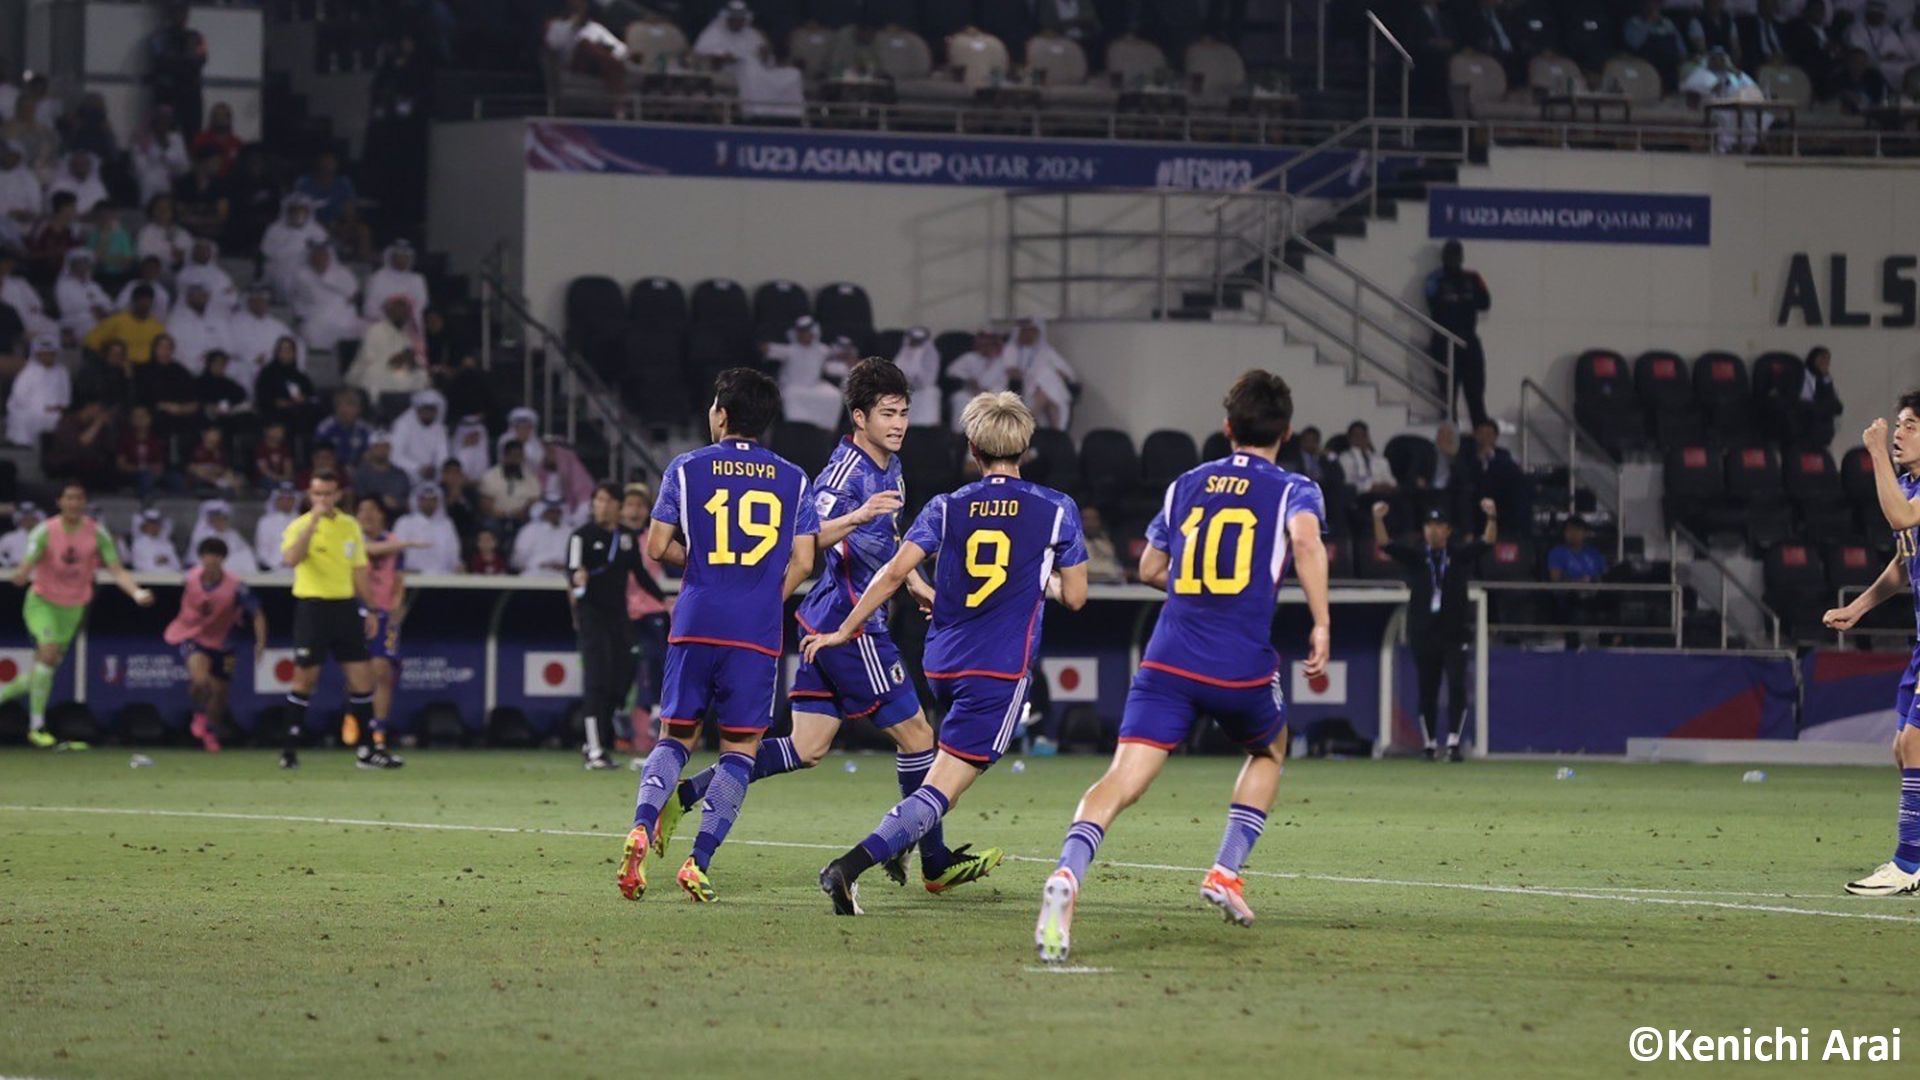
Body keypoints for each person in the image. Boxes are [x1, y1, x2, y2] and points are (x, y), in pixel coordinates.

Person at [652, 360, 999, 892]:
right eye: (888, 414)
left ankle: (685, 796)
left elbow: (890, 543)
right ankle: (933, 861)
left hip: (829, 619)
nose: (899, 423)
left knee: (807, 747)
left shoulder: (889, 466)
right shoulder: (844, 474)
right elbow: (808, 539)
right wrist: (857, 518)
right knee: (919, 738)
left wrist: (917, 586)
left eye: (904, 413)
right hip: (849, 622)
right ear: (859, 417)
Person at [1032, 371, 1326, 960]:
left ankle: (1066, 874)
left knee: (1119, 781)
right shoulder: (1296, 488)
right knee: (1269, 748)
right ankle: (1225, 870)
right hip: (1239, 663)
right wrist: (1321, 621)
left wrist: (1195, 587)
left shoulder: (1185, 483)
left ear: (1226, 429)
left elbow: (1148, 570)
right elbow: (1305, 544)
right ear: (1287, 432)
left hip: (1169, 659)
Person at [808, 390, 1084, 916]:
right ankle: (850, 866)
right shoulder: (1056, 508)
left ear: (973, 452)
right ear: (1025, 448)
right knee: (943, 789)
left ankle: (917, 850)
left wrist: (845, 629)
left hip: (944, 662)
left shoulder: (947, 505)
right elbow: (1075, 597)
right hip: (998, 670)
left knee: (938, 777)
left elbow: (893, 574)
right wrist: (1036, 579)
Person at [618, 367, 821, 904]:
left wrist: (704, 561)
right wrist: (764, 594)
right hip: (754, 630)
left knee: (675, 736)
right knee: (739, 750)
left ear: (722, 415)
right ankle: (697, 860)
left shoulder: (686, 469)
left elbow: (658, 547)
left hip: (695, 617)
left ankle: (642, 824)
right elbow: (804, 559)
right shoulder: (795, 478)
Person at [1822, 392, 1920, 896]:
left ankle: (1907, 865)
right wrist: (1858, 608)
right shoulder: (1909, 484)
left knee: (1914, 743)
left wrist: (1877, 452)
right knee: (1902, 753)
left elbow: (1901, 518)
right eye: (1898, 425)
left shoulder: (1912, 492)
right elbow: (1904, 562)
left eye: (1910, 426)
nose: (1899, 433)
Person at [2, 481, 156, 747]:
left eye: (78, 498)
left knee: (44, 669)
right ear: (59, 502)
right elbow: (28, 561)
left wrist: (136, 592)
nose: (74, 503)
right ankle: (36, 727)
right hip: (43, 603)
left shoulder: (97, 534)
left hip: (73, 609)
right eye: (69, 498)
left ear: (84, 503)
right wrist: (22, 573)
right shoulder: (44, 531)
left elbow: (116, 569)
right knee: (48, 653)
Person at [279, 470, 392, 769]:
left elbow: (359, 571)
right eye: (317, 494)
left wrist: (370, 608)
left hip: (344, 607)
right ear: (310, 495)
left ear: (338, 495)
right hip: (313, 607)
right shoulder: (299, 526)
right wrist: (312, 523)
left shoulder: (349, 526)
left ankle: (367, 751)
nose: (323, 500)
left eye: (328, 494)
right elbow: (291, 559)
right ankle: (289, 750)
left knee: (362, 678)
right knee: (305, 678)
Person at [1373, 499, 1497, 761]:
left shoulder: (1459, 556)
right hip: (1424, 634)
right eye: (1429, 525)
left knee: (1456, 685)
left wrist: (1492, 517)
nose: (1433, 530)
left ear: (1448, 530)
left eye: (1439, 525)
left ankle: (1453, 742)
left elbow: (1487, 542)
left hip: (1454, 634)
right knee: (1427, 688)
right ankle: (1429, 744)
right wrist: (1377, 519)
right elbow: (1386, 545)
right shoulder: (1418, 557)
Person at [566, 482, 651, 769]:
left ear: (617, 505)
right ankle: (594, 749)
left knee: (622, 680)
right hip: (593, 617)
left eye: (607, 500)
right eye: (597, 500)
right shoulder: (581, 536)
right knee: (596, 682)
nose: (601, 506)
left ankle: (598, 741)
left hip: (619, 618)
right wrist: (577, 580)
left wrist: (663, 599)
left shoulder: (626, 538)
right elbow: (573, 570)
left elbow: (639, 573)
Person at [163, 535, 267, 753]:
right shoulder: (190, 578)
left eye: (215, 559)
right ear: (201, 559)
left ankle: (210, 729)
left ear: (222, 560)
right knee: (200, 680)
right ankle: (198, 717)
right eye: (207, 559)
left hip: (225, 641)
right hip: (193, 635)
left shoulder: (236, 586)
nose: (210, 564)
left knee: (220, 693)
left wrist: (260, 642)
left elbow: (257, 614)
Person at [353, 495, 413, 769]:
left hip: (383, 613)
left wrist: (395, 612)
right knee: (357, 674)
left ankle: (378, 736)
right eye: (361, 510)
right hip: (355, 611)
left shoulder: (394, 543)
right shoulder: (352, 540)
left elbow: (398, 580)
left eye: (370, 510)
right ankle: (359, 729)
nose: (365, 515)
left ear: (381, 515)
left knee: (382, 671)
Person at [617, 482, 670, 754]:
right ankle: (622, 722)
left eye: (640, 506)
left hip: (651, 610)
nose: (635, 511)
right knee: (626, 668)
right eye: (630, 505)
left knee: (655, 661)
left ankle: (655, 719)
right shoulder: (614, 539)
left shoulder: (655, 535)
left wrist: (669, 600)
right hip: (622, 612)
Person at [1424, 240, 1491, 428]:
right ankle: (1450, 437)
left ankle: (1482, 438)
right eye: (1449, 254)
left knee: (1476, 392)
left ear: (1462, 257)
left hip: (1468, 340)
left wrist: (1459, 300)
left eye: (1456, 254)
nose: (1453, 258)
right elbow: (1432, 303)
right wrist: (1463, 301)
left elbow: (1485, 302)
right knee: (1448, 394)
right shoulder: (1434, 279)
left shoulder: (1473, 277)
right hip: (1444, 341)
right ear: (1443, 257)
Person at [760, 315, 844, 429]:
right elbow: (768, 349)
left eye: (807, 332)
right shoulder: (790, 350)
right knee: (791, 396)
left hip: (815, 385)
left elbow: (837, 357)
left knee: (834, 395)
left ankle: (825, 429)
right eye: (801, 332)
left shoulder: (821, 350)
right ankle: (797, 428)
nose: (804, 335)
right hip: (793, 386)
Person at [1003, 317, 1080, 431]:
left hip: (1042, 393)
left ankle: (1032, 416)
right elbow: (1011, 372)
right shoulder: (1011, 349)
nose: (1028, 334)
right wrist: (1032, 375)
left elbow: (1069, 374)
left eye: (1031, 331)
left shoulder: (1046, 351)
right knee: (1046, 375)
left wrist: (1056, 373)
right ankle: (1057, 431)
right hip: (1025, 389)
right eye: (1024, 331)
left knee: (1047, 376)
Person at [146, 1, 208, 134]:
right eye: (175, 10)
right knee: (163, 136)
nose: (179, 15)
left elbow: (200, 60)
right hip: (167, 96)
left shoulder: (196, 37)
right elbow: (162, 62)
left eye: (183, 11)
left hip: (190, 97)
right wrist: (185, 63)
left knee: (192, 137)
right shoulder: (157, 38)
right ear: (168, 13)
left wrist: (177, 63)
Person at [291, 242, 362, 353]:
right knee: (309, 333)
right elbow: (297, 300)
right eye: (315, 256)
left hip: (344, 318)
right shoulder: (301, 276)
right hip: (315, 317)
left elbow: (354, 295)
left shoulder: (343, 273)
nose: (319, 259)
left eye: (323, 255)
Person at [351, 296, 428, 396]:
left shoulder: (407, 333)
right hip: (378, 368)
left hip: (399, 368)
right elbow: (369, 358)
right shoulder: (375, 330)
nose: (401, 314)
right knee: (375, 373)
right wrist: (397, 359)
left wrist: (414, 361)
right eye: (397, 310)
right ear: (388, 312)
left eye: (405, 311)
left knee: (421, 374)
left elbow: (411, 354)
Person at [229, 284, 298, 388]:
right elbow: (230, 349)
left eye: (263, 300)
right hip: (246, 368)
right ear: (249, 301)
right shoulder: (234, 322)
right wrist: (252, 359)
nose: (260, 303)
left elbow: (292, 345)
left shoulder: (277, 325)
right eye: (256, 300)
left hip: (274, 367)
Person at [7, 335, 69, 447]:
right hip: (30, 410)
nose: (48, 356)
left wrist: (58, 406)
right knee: (27, 418)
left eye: (51, 353)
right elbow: (19, 396)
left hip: (55, 411)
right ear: (38, 355)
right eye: (44, 354)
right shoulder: (29, 372)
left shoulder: (62, 371)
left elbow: (65, 395)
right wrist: (40, 408)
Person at [260, 195, 326, 301]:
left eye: (301, 210)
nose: (297, 214)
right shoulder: (274, 229)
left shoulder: (317, 231)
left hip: (306, 270)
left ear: (308, 212)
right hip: (279, 270)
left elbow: (323, 257)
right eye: (293, 210)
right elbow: (267, 252)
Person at [85, 284, 167, 363]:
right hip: (119, 369)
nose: (145, 304)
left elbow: (162, 354)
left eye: (148, 300)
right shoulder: (117, 321)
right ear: (134, 301)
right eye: (141, 300)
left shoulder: (157, 327)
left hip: (147, 370)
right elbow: (90, 343)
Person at [945, 327, 1007, 431]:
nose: (986, 347)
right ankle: (960, 436)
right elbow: (951, 371)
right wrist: (969, 379)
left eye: (989, 344)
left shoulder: (1002, 361)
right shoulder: (970, 357)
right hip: (970, 392)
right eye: (983, 344)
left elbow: (1003, 383)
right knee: (959, 398)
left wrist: (985, 392)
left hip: (994, 393)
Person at [395, 482, 461, 575]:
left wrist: (457, 566)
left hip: (444, 577)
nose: (429, 503)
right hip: (413, 578)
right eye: (424, 499)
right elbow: (397, 551)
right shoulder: (404, 522)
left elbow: (454, 553)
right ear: (417, 501)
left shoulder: (447, 524)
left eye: (433, 499)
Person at [168, 280, 234, 373]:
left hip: (219, 361)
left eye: (203, 295)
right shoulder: (176, 320)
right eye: (196, 295)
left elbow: (227, 343)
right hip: (191, 364)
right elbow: (175, 350)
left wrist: (220, 358)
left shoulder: (217, 317)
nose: (200, 298)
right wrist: (201, 359)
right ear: (188, 298)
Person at [129, 107, 190, 207]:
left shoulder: (176, 138)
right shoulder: (140, 139)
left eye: (166, 120)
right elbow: (139, 169)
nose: (163, 123)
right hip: (148, 187)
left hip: (172, 188)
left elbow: (184, 168)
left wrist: (165, 152)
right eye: (160, 120)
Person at [361, 240, 429, 325]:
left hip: (410, 327)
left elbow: (421, 305)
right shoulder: (377, 278)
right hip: (382, 326)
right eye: (399, 256)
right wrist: (391, 317)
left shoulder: (417, 279)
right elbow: (368, 309)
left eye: (406, 256)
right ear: (390, 257)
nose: (403, 259)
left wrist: (403, 314)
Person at [1625, 0, 1689, 90]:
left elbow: (1682, 50)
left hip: (1670, 75)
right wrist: (1649, 22)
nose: (1655, 6)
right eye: (1652, 2)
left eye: (1657, 3)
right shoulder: (1634, 23)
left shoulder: (1668, 24)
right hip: (1646, 74)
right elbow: (1635, 44)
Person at [389, 388, 449, 483]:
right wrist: (417, 468)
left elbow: (442, 456)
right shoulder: (403, 424)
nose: (428, 413)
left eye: (432, 410)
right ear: (418, 409)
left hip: (431, 476)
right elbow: (394, 456)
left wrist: (436, 469)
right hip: (405, 474)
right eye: (426, 409)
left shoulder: (439, 428)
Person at [1791, 345, 1844, 448]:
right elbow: (1801, 401)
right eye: (1821, 358)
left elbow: (1837, 405)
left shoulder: (1825, 379)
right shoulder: (1801, 375)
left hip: (1820, 419)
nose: (1824, 363)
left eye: (1827, 359)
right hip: (1804, 418)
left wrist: (1825, 379)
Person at [55, 249, 113, 342]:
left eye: (85, 263)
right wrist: (93, 309)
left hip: (99, 318)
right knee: (90, 323)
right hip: (73, 321)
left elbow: (108, 303)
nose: (83, 267)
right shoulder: (64, 285)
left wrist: (102, 310)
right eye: (79, 263)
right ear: (72, 266)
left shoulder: (93, 285)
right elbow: (66, 308)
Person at [891, 326, 943, 427]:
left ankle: (929, 428)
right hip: (903, 388)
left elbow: (930, 378)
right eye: (914, 340)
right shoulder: (902, 353)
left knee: (931, 392)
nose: (915, 343)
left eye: (918, 341)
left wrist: (914, 382)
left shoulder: (931, 354)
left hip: (924, 389)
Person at [480, 439, 540, 526]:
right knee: (489, 524)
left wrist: (522, 513)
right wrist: (502, 515)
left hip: (522, 518)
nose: (515, 461)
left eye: (519, 457)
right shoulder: (490, 476)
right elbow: (486, 505)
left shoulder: (531, 477)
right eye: (512, 456)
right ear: (505, 456)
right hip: (497, 518)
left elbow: (534, 501)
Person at [117, 403, 174, 495]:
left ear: (149, 419)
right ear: (131, 419)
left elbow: (160, 464)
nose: (140, 419)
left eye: (143, 416)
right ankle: (147, 506)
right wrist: (139, 469)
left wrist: (152, 470)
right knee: (145, 477)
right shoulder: (125, 439)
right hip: (132, 475)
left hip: (154, 475)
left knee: (175, 479)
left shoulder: (156, 439)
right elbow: (121, 465)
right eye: (136, 416)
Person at [355, 430, 413, 517]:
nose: (381, 450)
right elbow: (359, 498)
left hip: (395, 518)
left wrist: (397, 503)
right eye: (377, 447)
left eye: (384, 446)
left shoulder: (400, 475)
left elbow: (406, 501)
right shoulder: (361, 474)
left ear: (390, 448)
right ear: (371, 449)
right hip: (369, 518)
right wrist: (381, 500)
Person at [315, 387, 373, 468]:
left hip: (359, 472)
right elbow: (320, 456)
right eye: (339, 405)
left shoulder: (366, 430)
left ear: (359, 409)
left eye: (350, 405)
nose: (344, 409)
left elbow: (370, 456)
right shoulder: (325, 428)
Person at [512, 498, 572, 575]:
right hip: (536, 573)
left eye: (557, 512)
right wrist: (543, 564)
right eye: (551, 512)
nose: (554, 515)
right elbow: (519, 559)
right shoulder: (529, 530)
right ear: (543, 512)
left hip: (563, 573)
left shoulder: (570, 531)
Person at [175, 237, 237, 311]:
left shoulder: (221, 274)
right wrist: (218, 295)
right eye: (199, 251)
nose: (202, 253)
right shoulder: (184, 274)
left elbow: (231, 294)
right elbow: (193, 297)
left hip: (220, 311)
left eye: (205, 251)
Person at [136, 193, 191, 272]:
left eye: (166, 209)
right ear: (152, 211)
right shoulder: (146, 232)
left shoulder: (182, 233)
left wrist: (181, 257)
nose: (163, 212)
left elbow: (190, 255)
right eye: (159, 208)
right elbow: (142, 255)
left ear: (173, 212)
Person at [255, 482, 300, 569]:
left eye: (289, 499)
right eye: (282, 499)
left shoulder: (302, 521)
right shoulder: (265, 522)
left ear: (295, 501)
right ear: (276, 500)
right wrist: (274, 565)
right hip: (271, 568)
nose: (286, 502)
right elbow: (261, 549)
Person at [115, 256, 172, 322]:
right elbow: (119, 306)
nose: (149, 271)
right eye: (147, 268)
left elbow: (160, 318)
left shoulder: (163, 295)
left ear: (158, 271)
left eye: (152, 268)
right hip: (127, 321)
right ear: (142, 269)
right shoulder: (131, 285)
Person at [1080, 504, 1126, 584]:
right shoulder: (1072, 544)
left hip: (1114, 584)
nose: (1090, 524)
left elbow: (1115, 565)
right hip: (1089, 585)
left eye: (1094, 519)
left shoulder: (1107, 540)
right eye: (1086, 519)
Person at [129, 506, 182, 572]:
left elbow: (177, 566)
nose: (154, 527)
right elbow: (138, 566)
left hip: (170, 579)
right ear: (145, 526)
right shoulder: (138, 544)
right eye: (151, 524)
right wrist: (157, 561)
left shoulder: (167, 544)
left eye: (157, 524)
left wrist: (166, 560)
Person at [500, 407, 546, 472]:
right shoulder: (505, 441)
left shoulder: (538, 445)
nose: (523, 431)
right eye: (519, 428)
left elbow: (538, 463)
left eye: (526, 428)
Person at [0, 501, 42, 567]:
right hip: (15, 571)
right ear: (19, 521)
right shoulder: (9, 537)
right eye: (25, 519)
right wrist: (9, 563)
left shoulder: (45, 536)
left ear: (37, 520)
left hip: (40, 571)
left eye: (32, 519)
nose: (29, 522)